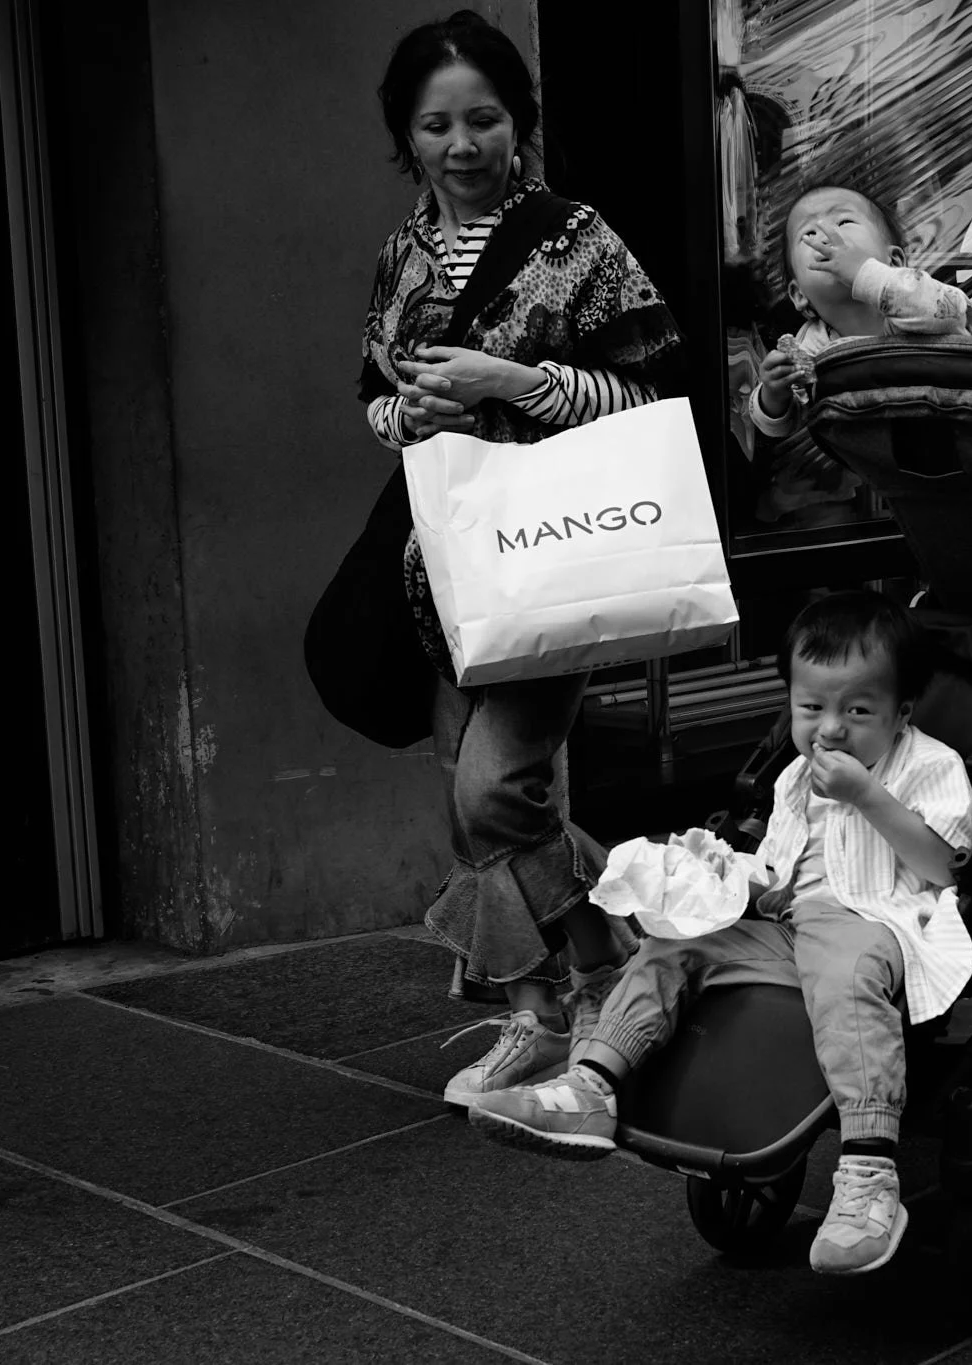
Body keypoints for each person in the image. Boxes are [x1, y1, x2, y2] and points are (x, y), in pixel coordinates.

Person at [358, 11, 682, 1106]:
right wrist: (412, 411)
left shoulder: (574, 237)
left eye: (483, 119)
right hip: (444, 574)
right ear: (407, 137)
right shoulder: (402, 249)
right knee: (477, 808)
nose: (462, 146)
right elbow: (370, 401)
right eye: (437, 125)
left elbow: (649, 395)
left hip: (552, 561)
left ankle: (613, 967)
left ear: (518, 123)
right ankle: (554, 1007)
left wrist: (510, 386)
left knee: (497, 791)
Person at [469, 592, 972, 1277]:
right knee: (675, 943)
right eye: (811, 709)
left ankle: (868, 1171)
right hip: (792, 921)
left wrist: (868, 795)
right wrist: (723, 871)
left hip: (876, 923)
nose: (831, 729)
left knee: (847, 978)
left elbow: (945, 866)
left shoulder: (929, 765)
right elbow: (777, 870)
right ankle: (592, 1083)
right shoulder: (797, 776)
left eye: (858, 711)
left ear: (901, 712)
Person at [750, 183, 972, 450]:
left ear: (894, 262)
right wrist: (773, 394)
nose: (825, 238)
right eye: (809, 233)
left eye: (844, 222)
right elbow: (782, 424)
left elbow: (950, 314)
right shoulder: (813, 346)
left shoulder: (919, 296)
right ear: (798, 293)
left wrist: (865, 273)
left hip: (968, 434)